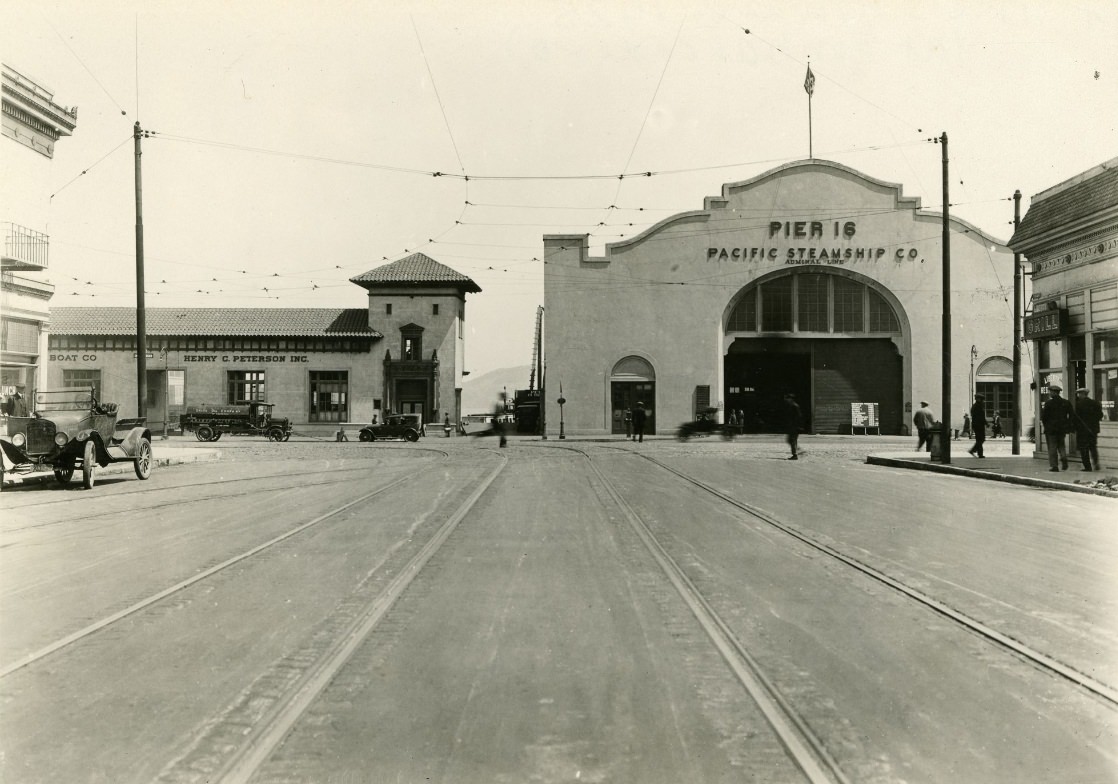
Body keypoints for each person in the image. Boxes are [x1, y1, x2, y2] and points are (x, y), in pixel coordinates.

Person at [1040, 384, 1073, 471]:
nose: (1050, 393)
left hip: (1051, 429)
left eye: (1051, 392)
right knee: (1061, 445)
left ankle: (1054, 466)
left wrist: (1046, 425)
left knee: (1052, 447)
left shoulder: (1048, 403)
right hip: (1062, 428)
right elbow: (1071, 415)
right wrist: (1067, 425)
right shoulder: (1066, 402)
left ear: (1054, 392)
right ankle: (1064, 457)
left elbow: (1044, 417)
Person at [1072, 387, 1103, 471]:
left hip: (1082, 430)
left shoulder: (1078, 404)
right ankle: (1096, 463)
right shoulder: (1095, 403)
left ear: (1082, 394)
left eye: (1079, 394)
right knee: (1093, 447)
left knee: (1083, 448)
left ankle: (1087, 467)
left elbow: (1076, 418)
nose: (1078, 395)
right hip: (1093, 430)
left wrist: (1074, 428)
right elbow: (1100, 415)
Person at [783, 392, 802, 460]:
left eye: (787, 398)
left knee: (792, 440)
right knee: (791, 440)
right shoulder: (792, 405)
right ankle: (798, 451)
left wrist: (797, 426)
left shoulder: (794, 406)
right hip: (793, 426)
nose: (786, 399)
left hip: (794, 427)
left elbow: (799, 417)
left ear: (791, 399)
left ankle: (795, 454)